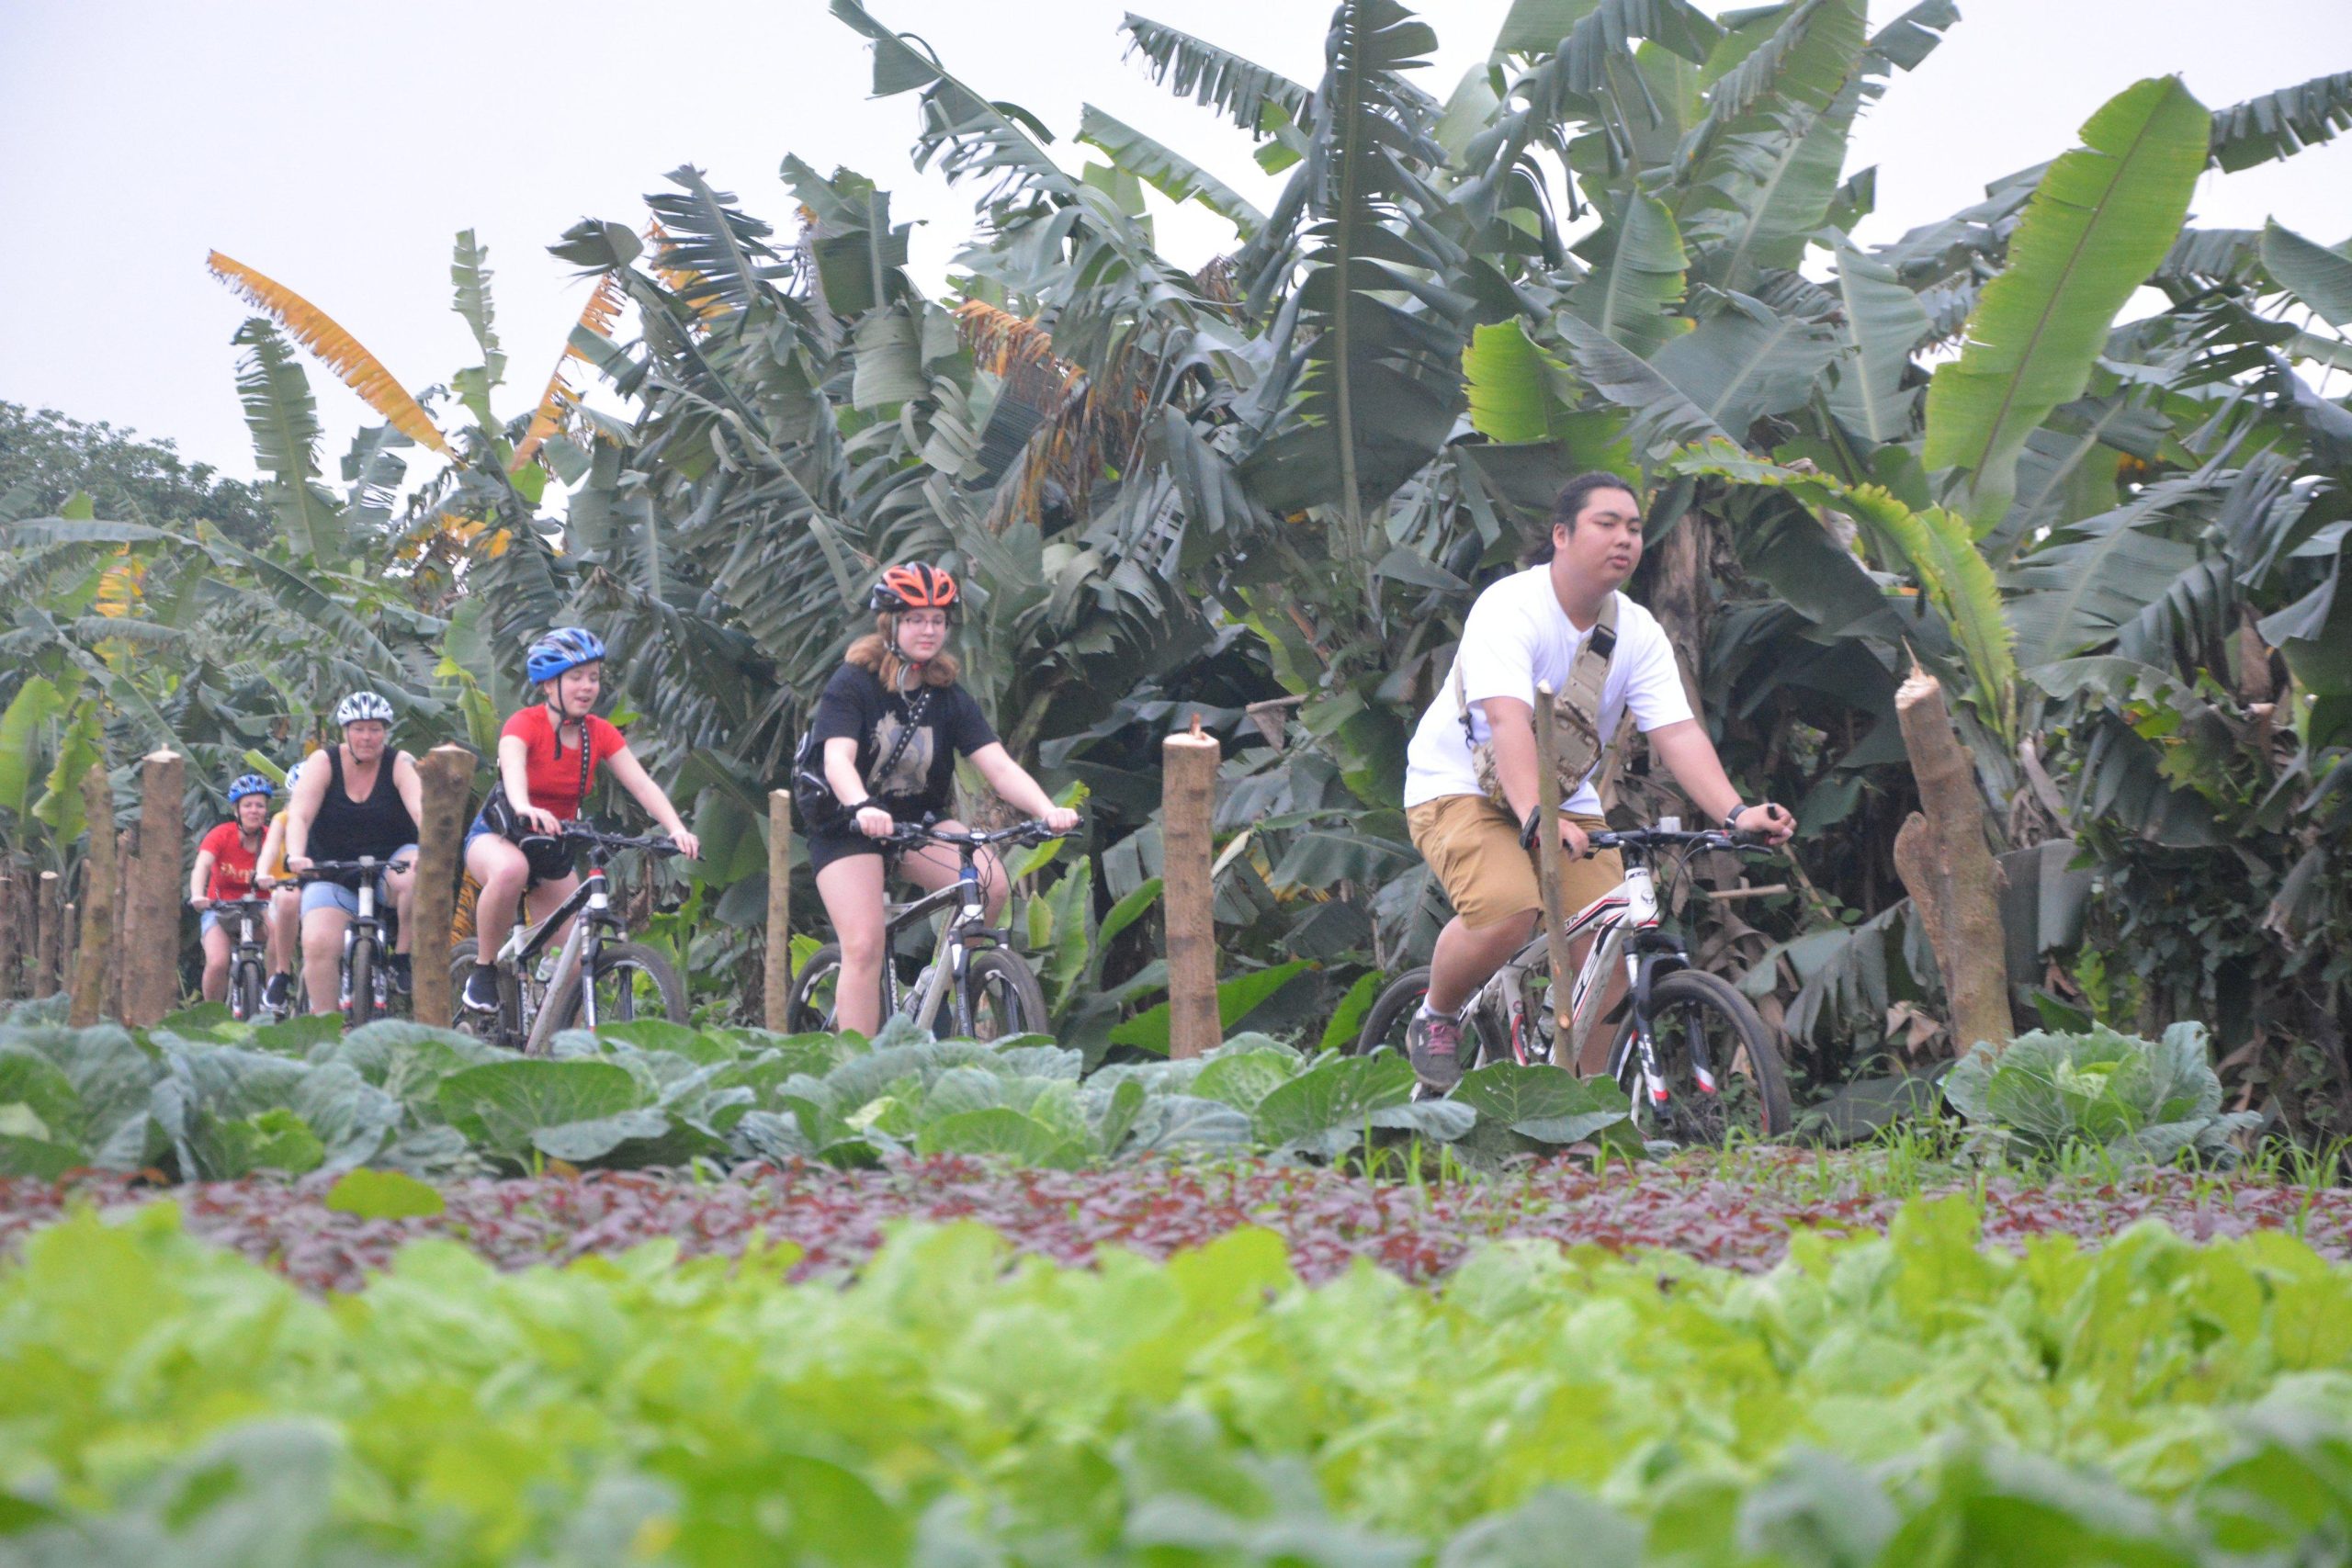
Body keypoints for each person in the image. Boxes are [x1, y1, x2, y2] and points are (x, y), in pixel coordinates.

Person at [1400, 473, 1795, 1090]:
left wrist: (1736, 813)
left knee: (1611, 945)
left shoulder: (1636, 631)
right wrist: (1537, 815)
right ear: (1561, 535)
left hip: (1563, 799)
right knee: (1508, 912)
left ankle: (1587, 1110)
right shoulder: (1510, 607)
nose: (1625, 539)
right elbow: (1506, 720)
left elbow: (1678, 733)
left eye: (1634, 528)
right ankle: (1437, 1014)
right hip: (1459, 786)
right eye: (1606, 524)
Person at [805, 562, 1080, 1035]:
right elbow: (837, 761)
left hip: (917, 824)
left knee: (990, 882)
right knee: (865, 945)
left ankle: (938, 990)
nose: (928, 630)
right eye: (915, 619)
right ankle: (854, 1060)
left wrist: (1046, 810)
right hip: (848, 825)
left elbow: (998, 767)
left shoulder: (947, 696)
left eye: (937, 620)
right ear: (890, 625)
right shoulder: (852, 684)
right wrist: (862, 806)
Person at [459, 626, 703, 1013]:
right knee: (510, 870)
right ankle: (484, 968)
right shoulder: (524, 723)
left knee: (573, 971)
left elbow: (641, 784)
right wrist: (525, 807)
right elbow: (513, 767)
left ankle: (559, 1041)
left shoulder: (599, 733)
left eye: (593, 677)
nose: (587, 686)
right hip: (500, 835)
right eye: (576, 677)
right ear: (548, 685)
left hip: (552, 844)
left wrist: (676, 829)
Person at [283, 692, 424, 1016]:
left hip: (389, 865)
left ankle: (403, 957)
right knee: (318, 943)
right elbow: (300, 815)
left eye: (375, 729)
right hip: (332, 871)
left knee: (415, 876)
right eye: (359, 729)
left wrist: (429, 848)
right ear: (346, 731)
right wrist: (295, 855)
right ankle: (326, 1025)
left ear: (385, 731)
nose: (367, 737)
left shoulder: (400, 763)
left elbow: (422, 811)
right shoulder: (323, 762)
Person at [187, 773, 274, 1003]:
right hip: (220, 907)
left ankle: (275, 999)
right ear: (236, 810)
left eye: (259, 805)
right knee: (217, 962)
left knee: (278, 938)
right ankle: (213, 1013)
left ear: (266, 810)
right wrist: (197, 895)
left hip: (261, 906)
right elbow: (202, 866)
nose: (254, 811)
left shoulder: (272, 838)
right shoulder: (221, 835)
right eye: (247, 805)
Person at [253, 755, 306, 1011]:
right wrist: (262, 872)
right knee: (279, 921)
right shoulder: (283, 819)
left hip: (322, 882)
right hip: (287, 885)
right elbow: (271, 848)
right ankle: (277, 978)